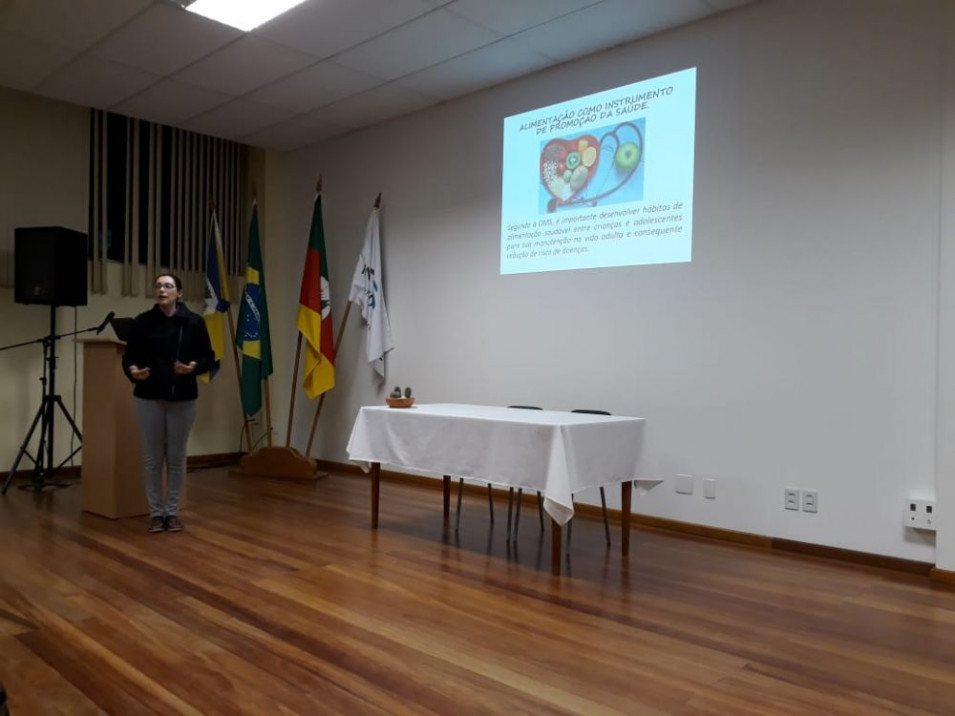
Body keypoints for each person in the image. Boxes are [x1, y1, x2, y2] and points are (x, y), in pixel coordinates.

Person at [122, 273, 215, 533]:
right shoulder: (142, 322)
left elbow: (208, 357)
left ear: (179, 293)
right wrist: (133, 370)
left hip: (183, 398)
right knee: (152, 458)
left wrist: (193, 367)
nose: (162, 290)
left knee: (176, 456)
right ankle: (156, 513)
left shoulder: (193, 322)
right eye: (158, 286)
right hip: (148, 397)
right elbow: (130, 357)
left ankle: (172, 512)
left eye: (168, 286)